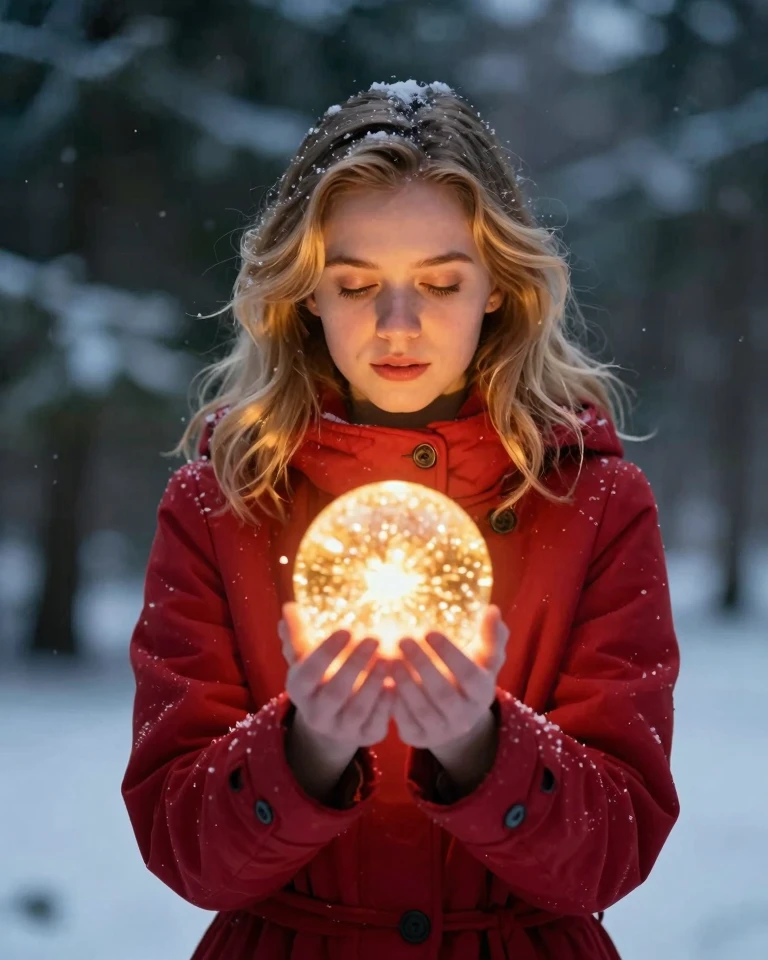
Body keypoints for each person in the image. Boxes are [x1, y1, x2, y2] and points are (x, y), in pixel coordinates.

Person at [121, 79, 679, 960]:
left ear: (498, 286)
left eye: (440, 282)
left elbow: (617, 846)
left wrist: (478, 743)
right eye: (356, 284)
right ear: (306, 292)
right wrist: (305, 747)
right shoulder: (221, 503)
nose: (398, 324)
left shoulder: (593, 503)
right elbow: (181, 844)